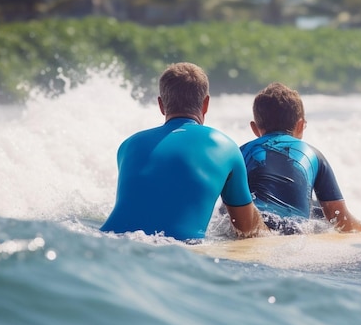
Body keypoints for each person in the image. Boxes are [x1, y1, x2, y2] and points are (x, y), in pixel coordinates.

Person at [101, 62, 267, 241]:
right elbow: (246, 228)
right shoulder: (226, 147)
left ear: (161, 105)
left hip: (107, 240)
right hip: (178, 248)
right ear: (206, 104)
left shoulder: (128, 145)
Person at [240, 82, 361, 234]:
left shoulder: (241, 152)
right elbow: (339, 218)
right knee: (317, 215)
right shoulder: (313, 155)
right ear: (300, 125)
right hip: (292, 231)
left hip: (251, 225)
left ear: (254, 128)